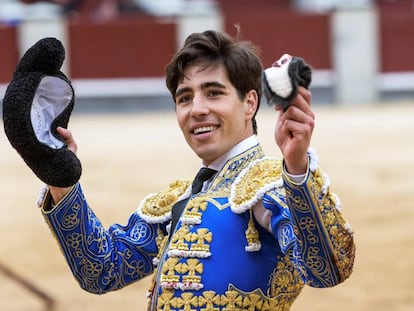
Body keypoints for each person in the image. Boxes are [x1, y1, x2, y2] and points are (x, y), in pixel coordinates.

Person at [37, 29, 355, 310]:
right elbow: (101, 270)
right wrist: (60, 181)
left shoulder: (269, 185)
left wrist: (297, 169)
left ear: (250, 103)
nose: (198, 109)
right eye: (185, 98)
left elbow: (326, 270)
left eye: (214, 93)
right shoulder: (181, 199)